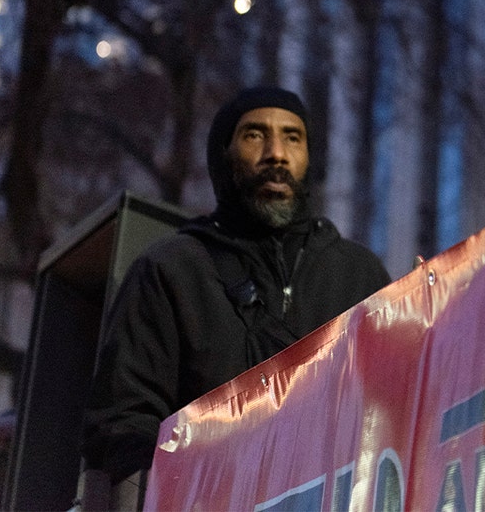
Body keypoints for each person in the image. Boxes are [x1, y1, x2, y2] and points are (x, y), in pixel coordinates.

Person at [81, 86, 392, 485]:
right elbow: (122, 422)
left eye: (292, 138)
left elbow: (391, 408)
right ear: (222, 157)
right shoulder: (170, 270)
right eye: (254, 135)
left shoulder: (360, 276)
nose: (276, 153)